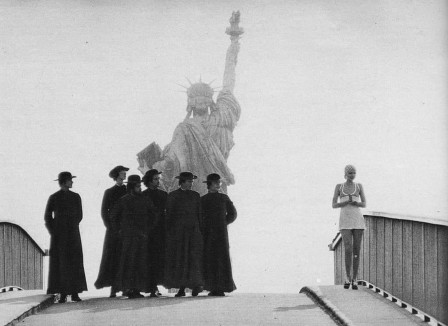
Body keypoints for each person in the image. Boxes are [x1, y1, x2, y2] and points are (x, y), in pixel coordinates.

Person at [44, 172, 87, 303]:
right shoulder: (54, 197)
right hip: (59, 236)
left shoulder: (76, 197)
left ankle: (75, 293)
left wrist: (72, 225)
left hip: (73, 234)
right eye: (70, 180)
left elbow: (80, 215)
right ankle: (63, 294)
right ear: (64, 182)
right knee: (61, 263)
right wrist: (54, 231)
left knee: (75, 261)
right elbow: (47, 217)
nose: (72, 183)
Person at [112, 175, 157, 298]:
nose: (140, 188)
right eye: (137, 186)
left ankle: (137, 289)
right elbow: (114, 216)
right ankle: (129, 289)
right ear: (132, 187)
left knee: (141, 262)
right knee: (129, 263)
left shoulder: (145, 199)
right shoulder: (124, 200)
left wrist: (148, 229)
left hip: (142, 236)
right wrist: (119, 231)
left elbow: (154, 215)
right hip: (128, 237)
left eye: (140, 186)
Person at [164, 172, 204, 297]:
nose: (191, 184)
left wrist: (199, 231)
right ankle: (181, 288)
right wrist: (171, 233)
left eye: (192, 181)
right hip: (179, 234)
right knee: (181, 259)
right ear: (182, 182)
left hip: (193, 232)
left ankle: (195, 286)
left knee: (193, 259)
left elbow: (199, 215)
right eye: (189, 181)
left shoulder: (196, 196)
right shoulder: (173, 196)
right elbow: (169, 215)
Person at [94, 165, 129, 297]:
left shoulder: (128, 190)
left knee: (125, 257)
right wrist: (111, 227)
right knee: (113, 258)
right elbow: (104, 211)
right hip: (113, 230)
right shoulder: (109, 192)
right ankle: (114, 287)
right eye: (122, 172)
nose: (125, 174)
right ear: (117, 175)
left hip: (127, 228)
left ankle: (126, 286)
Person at [201, 173, 237, 296]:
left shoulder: (224, 198)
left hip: (221, 234)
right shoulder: (203, 199)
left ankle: (221, 287)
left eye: (219, 183)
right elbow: (200, 216)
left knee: (222, 259)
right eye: (215, 183)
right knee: (210, 259)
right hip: (208, 234)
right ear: (209, 184)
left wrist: (224, 222)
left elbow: (233, 214)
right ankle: (212, 287)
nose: (218, 185)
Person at [332, 165, 366, 290]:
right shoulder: (339, 187)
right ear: (345, 174)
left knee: (356, 250)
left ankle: (355, 278)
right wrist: (344, 203)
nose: (352, 175)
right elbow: (334, 204)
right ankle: (347, 276)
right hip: (345, 220)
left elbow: (364, 203)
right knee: (348, 248)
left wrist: (357, 203)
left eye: (354, 173)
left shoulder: (359, 186)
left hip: (357, 220)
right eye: (350, 173)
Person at [142, 169, 168, 297]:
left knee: (159, 258)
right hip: (147, 232)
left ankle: (156, 285)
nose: (158, 181)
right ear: (149, 181)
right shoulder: (143, 195)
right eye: (156, 179)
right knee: (148, 259)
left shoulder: (164, 195)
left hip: (161, 231)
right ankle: (151, 286)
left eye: (159, 179)